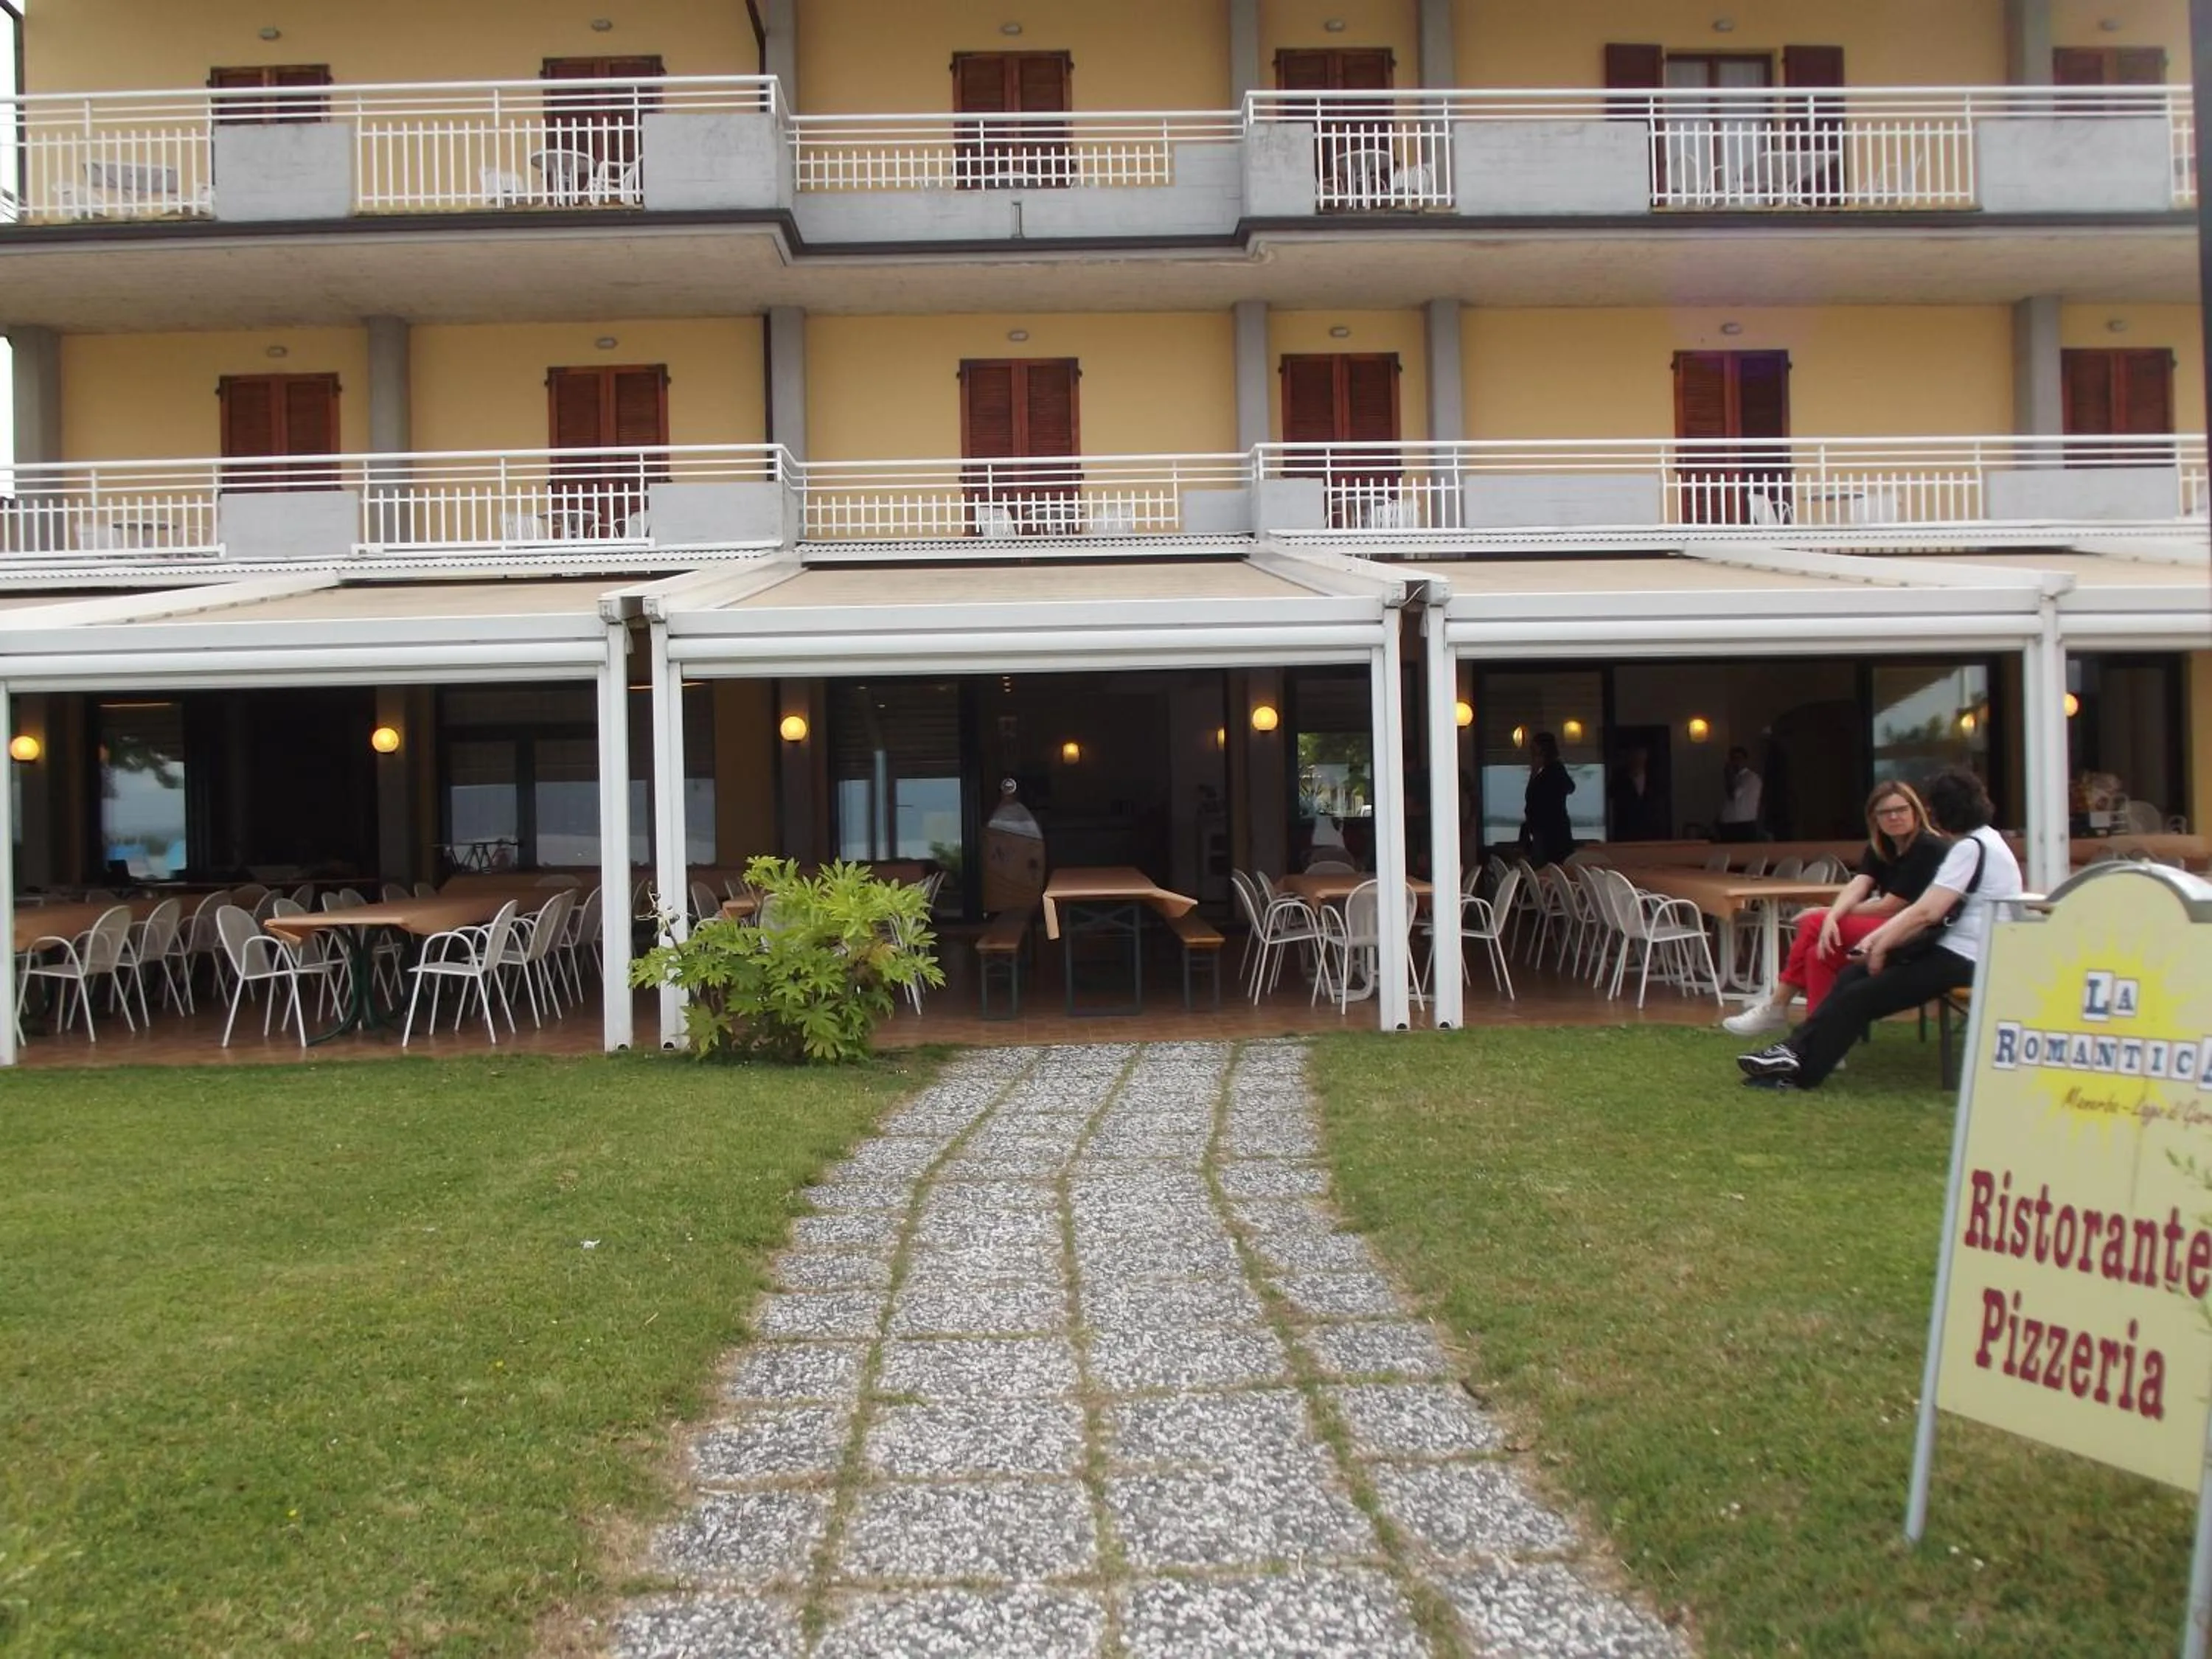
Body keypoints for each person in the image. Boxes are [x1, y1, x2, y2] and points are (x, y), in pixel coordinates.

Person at [1736, 766, 2023, 1091]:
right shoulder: (1984, 842)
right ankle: (1791, 1052)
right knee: (1850, 978)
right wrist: (1876, 940)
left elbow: (1926, 912)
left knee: (1861, 996)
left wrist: (1881, 946)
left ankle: (1799, 1073)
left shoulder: (1970, 849)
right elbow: (1920, 909)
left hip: (1966, 958)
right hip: (1954, 951)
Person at [1721, 781, 1948, 1037]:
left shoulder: (1928, 847)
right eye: (1885, 812)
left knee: (1812, 923)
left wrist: (1826, 916)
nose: (1894, 817)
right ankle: (1821, 1037)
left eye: (1901, 809)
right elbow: (1859, 884)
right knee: (1818, 955)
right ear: (1874, 818)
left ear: (1915, 810)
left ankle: (1776, 1007)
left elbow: (1889, 907)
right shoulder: (1881, 847)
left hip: (1919, 933)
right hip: (1888, 927)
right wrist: (1832, 915)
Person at [1521, 732, 1576, 866]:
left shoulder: (1554, 770)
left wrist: (1535, 773)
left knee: (1549, 867)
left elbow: (1533, 797)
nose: (1532, 752)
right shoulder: (1548, 771)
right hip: (1546, 829)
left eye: (1535, 749)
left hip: (1551, 830)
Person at [1609, 745, 1668, 841]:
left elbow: (1659, 805)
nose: (1638, 758)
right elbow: (1612, 797)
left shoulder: (1655, 779)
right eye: (1635, 754)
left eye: (1641, 754)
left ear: (1646, 756)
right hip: (1626, 835)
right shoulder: (1619, 779)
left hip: (1652, 834)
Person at [1716, 746, 1762, 843]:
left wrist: (1728, 776)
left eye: (1739, 758)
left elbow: (1733, 794)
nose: (1736, 762)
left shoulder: (1750, 778)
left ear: (1745, 760)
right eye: (1733, 759)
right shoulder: (1735, 778)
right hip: (1729, 825)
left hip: (1742, 825)